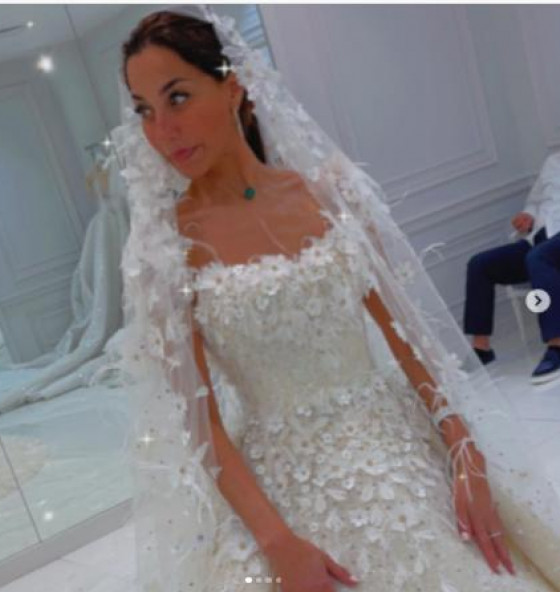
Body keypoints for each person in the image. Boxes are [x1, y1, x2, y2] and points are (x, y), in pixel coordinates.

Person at [108, 6, 560, 591]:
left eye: (177, 97)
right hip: (281, 489)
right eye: (144, 110)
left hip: (398, 442)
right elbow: (202, 424)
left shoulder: (330, 195)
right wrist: (278, 543)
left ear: (233, 86)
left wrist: (466, 456)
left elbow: (410, 343)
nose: (162, 130)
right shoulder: (165, 249)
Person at [463, 152, 560, 384]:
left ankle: (557, 344)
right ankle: (481, 349)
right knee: (480, 264)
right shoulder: (552, 162)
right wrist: (528, 215)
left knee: (537, 258)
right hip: (538, 240)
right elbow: (535, 202)